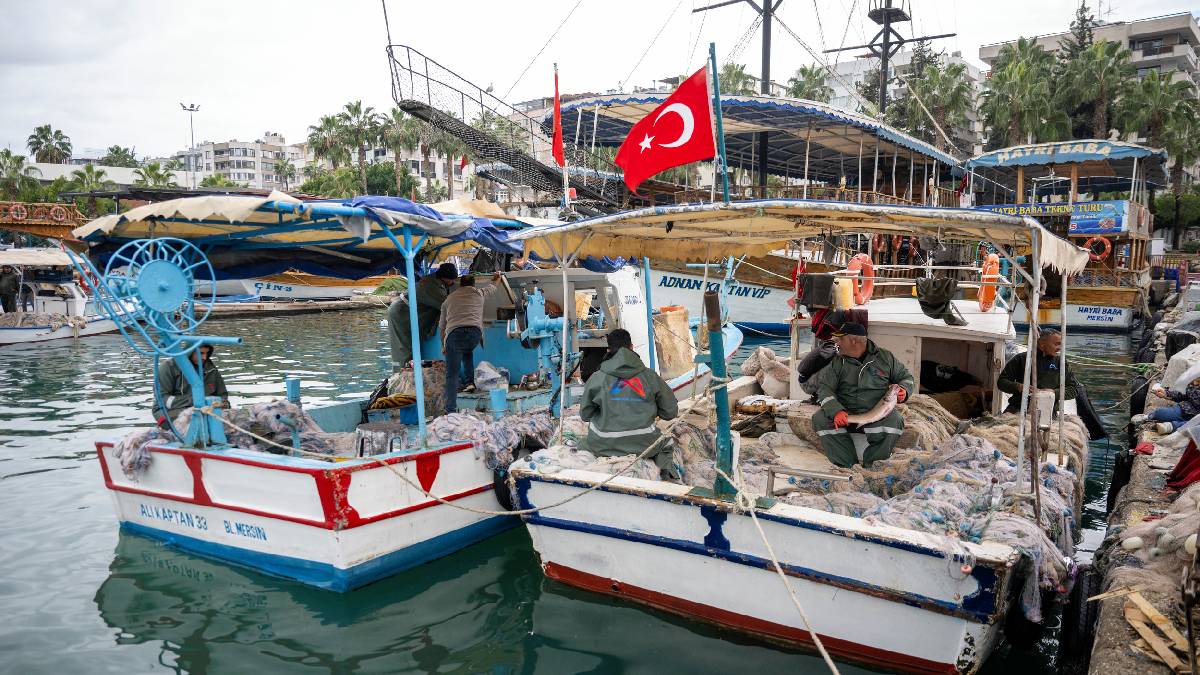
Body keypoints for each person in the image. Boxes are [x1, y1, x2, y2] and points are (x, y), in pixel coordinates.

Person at [811, 322, 914, 468]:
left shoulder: (885, 358)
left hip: (875, 412)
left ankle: (872, 467)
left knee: (895, 420)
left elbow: (906, 377)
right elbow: (825, 389)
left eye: (840, 339)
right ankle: (847, 466)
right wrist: (836, 411)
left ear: (853, 341)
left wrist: (904, 389)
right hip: (845, 413)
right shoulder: (837, 362)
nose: (837, 343)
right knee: (820, 419)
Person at [579, 329, 679, 477]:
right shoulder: (650, 376)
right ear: (632, 347)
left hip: (603, 444)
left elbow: (585, 415)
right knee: (666, 444)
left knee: (581, 443)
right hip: (644, 443)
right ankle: (668, 476)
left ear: (608, 350)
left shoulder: (597, 378)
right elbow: (670, 412)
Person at [439, 271, 503, 413]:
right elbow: (493, 287)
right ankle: (470, 383)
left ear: (460, 285)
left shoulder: (448, 299)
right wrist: (497, 278)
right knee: (467, 350)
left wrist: (443, 345)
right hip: (475, 335)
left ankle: (450, 410)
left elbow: (442, 326)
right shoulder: (479, 293)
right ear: (473, 285)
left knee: (452, 374)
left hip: (455, 335)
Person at [387, 262, 459, 371]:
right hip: (401, 313)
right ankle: (403, 375)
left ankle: (409, 372)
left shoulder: (434, 280)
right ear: (444, 277)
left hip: (405, 311)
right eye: (451, 279)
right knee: (403, 347)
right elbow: (446, 306)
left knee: (409, 345)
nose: (453, 282)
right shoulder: (431, 286)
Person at [996, 328, 1077, 414]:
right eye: (1057, 344)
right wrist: (1019, 387)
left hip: (1049, 411)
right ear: (1042, 344)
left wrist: (1054, 392)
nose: (1060, 348)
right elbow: (1001, 382)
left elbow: (1074, 389)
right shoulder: (1021, 359)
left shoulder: (1061, 363)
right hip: (1018, 408)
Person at [153, 344, 230, 428]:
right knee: (192, 419)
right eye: (201, 353)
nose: (204, 357)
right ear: (190, 352)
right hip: (169, 410)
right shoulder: (168, 367)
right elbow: (162, 399)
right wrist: (195, 400)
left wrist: (223, 405)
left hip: (205, 409)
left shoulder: (210, 369)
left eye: (206, 353)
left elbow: (222, 395)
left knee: (234, 417)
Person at [1133, 378, 1200, 433]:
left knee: (1193, 427)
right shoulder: (1194, 381)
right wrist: (1166, 393)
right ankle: (1148, 417)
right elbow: (1183, 395)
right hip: (1187, 410)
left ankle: (1171, 427)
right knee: (1160, 413)